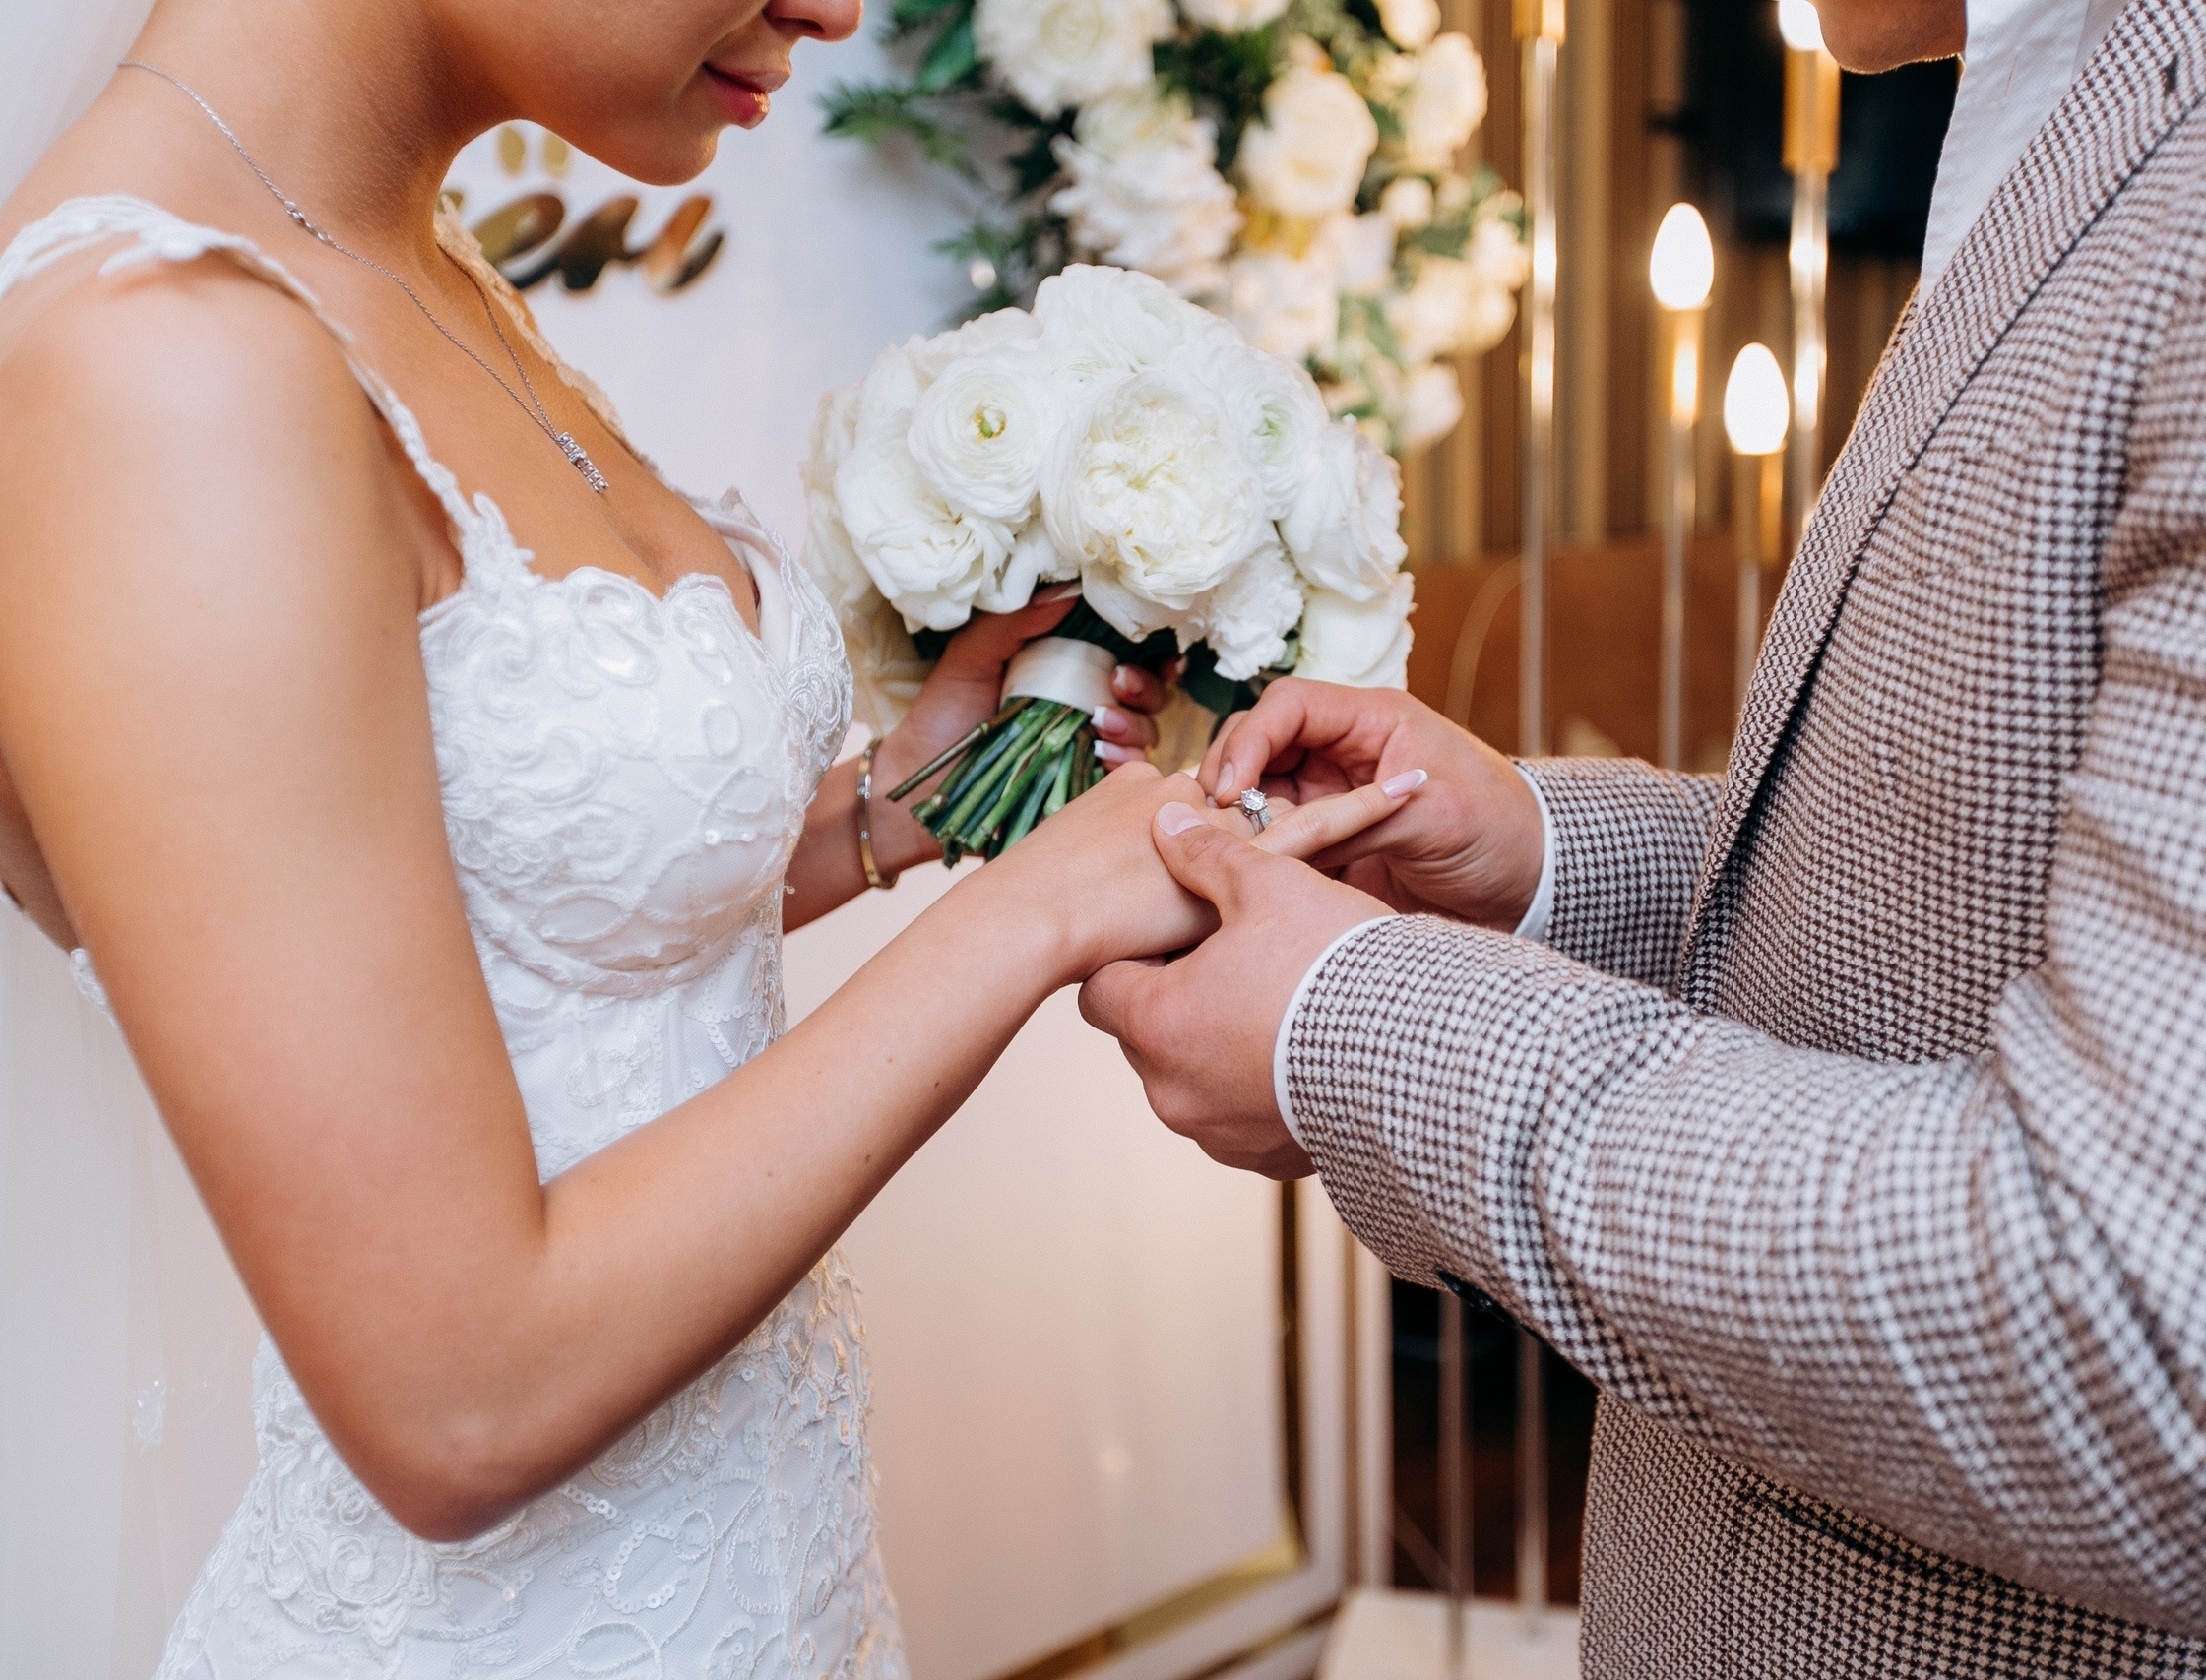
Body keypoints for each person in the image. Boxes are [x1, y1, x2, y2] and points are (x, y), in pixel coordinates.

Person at [1083, 0, 2206, 1672]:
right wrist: (1538, 854)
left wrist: (1361, 1026)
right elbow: (1987, 880)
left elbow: (2168, 1349)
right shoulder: (2114, 97)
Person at [0, 0, 1418, 1673]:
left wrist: (909, 799)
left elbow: (530, 927)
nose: (835, 7)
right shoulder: (155, 359)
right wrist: (1030, 913)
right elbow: (456, 1396)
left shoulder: (397, 247)